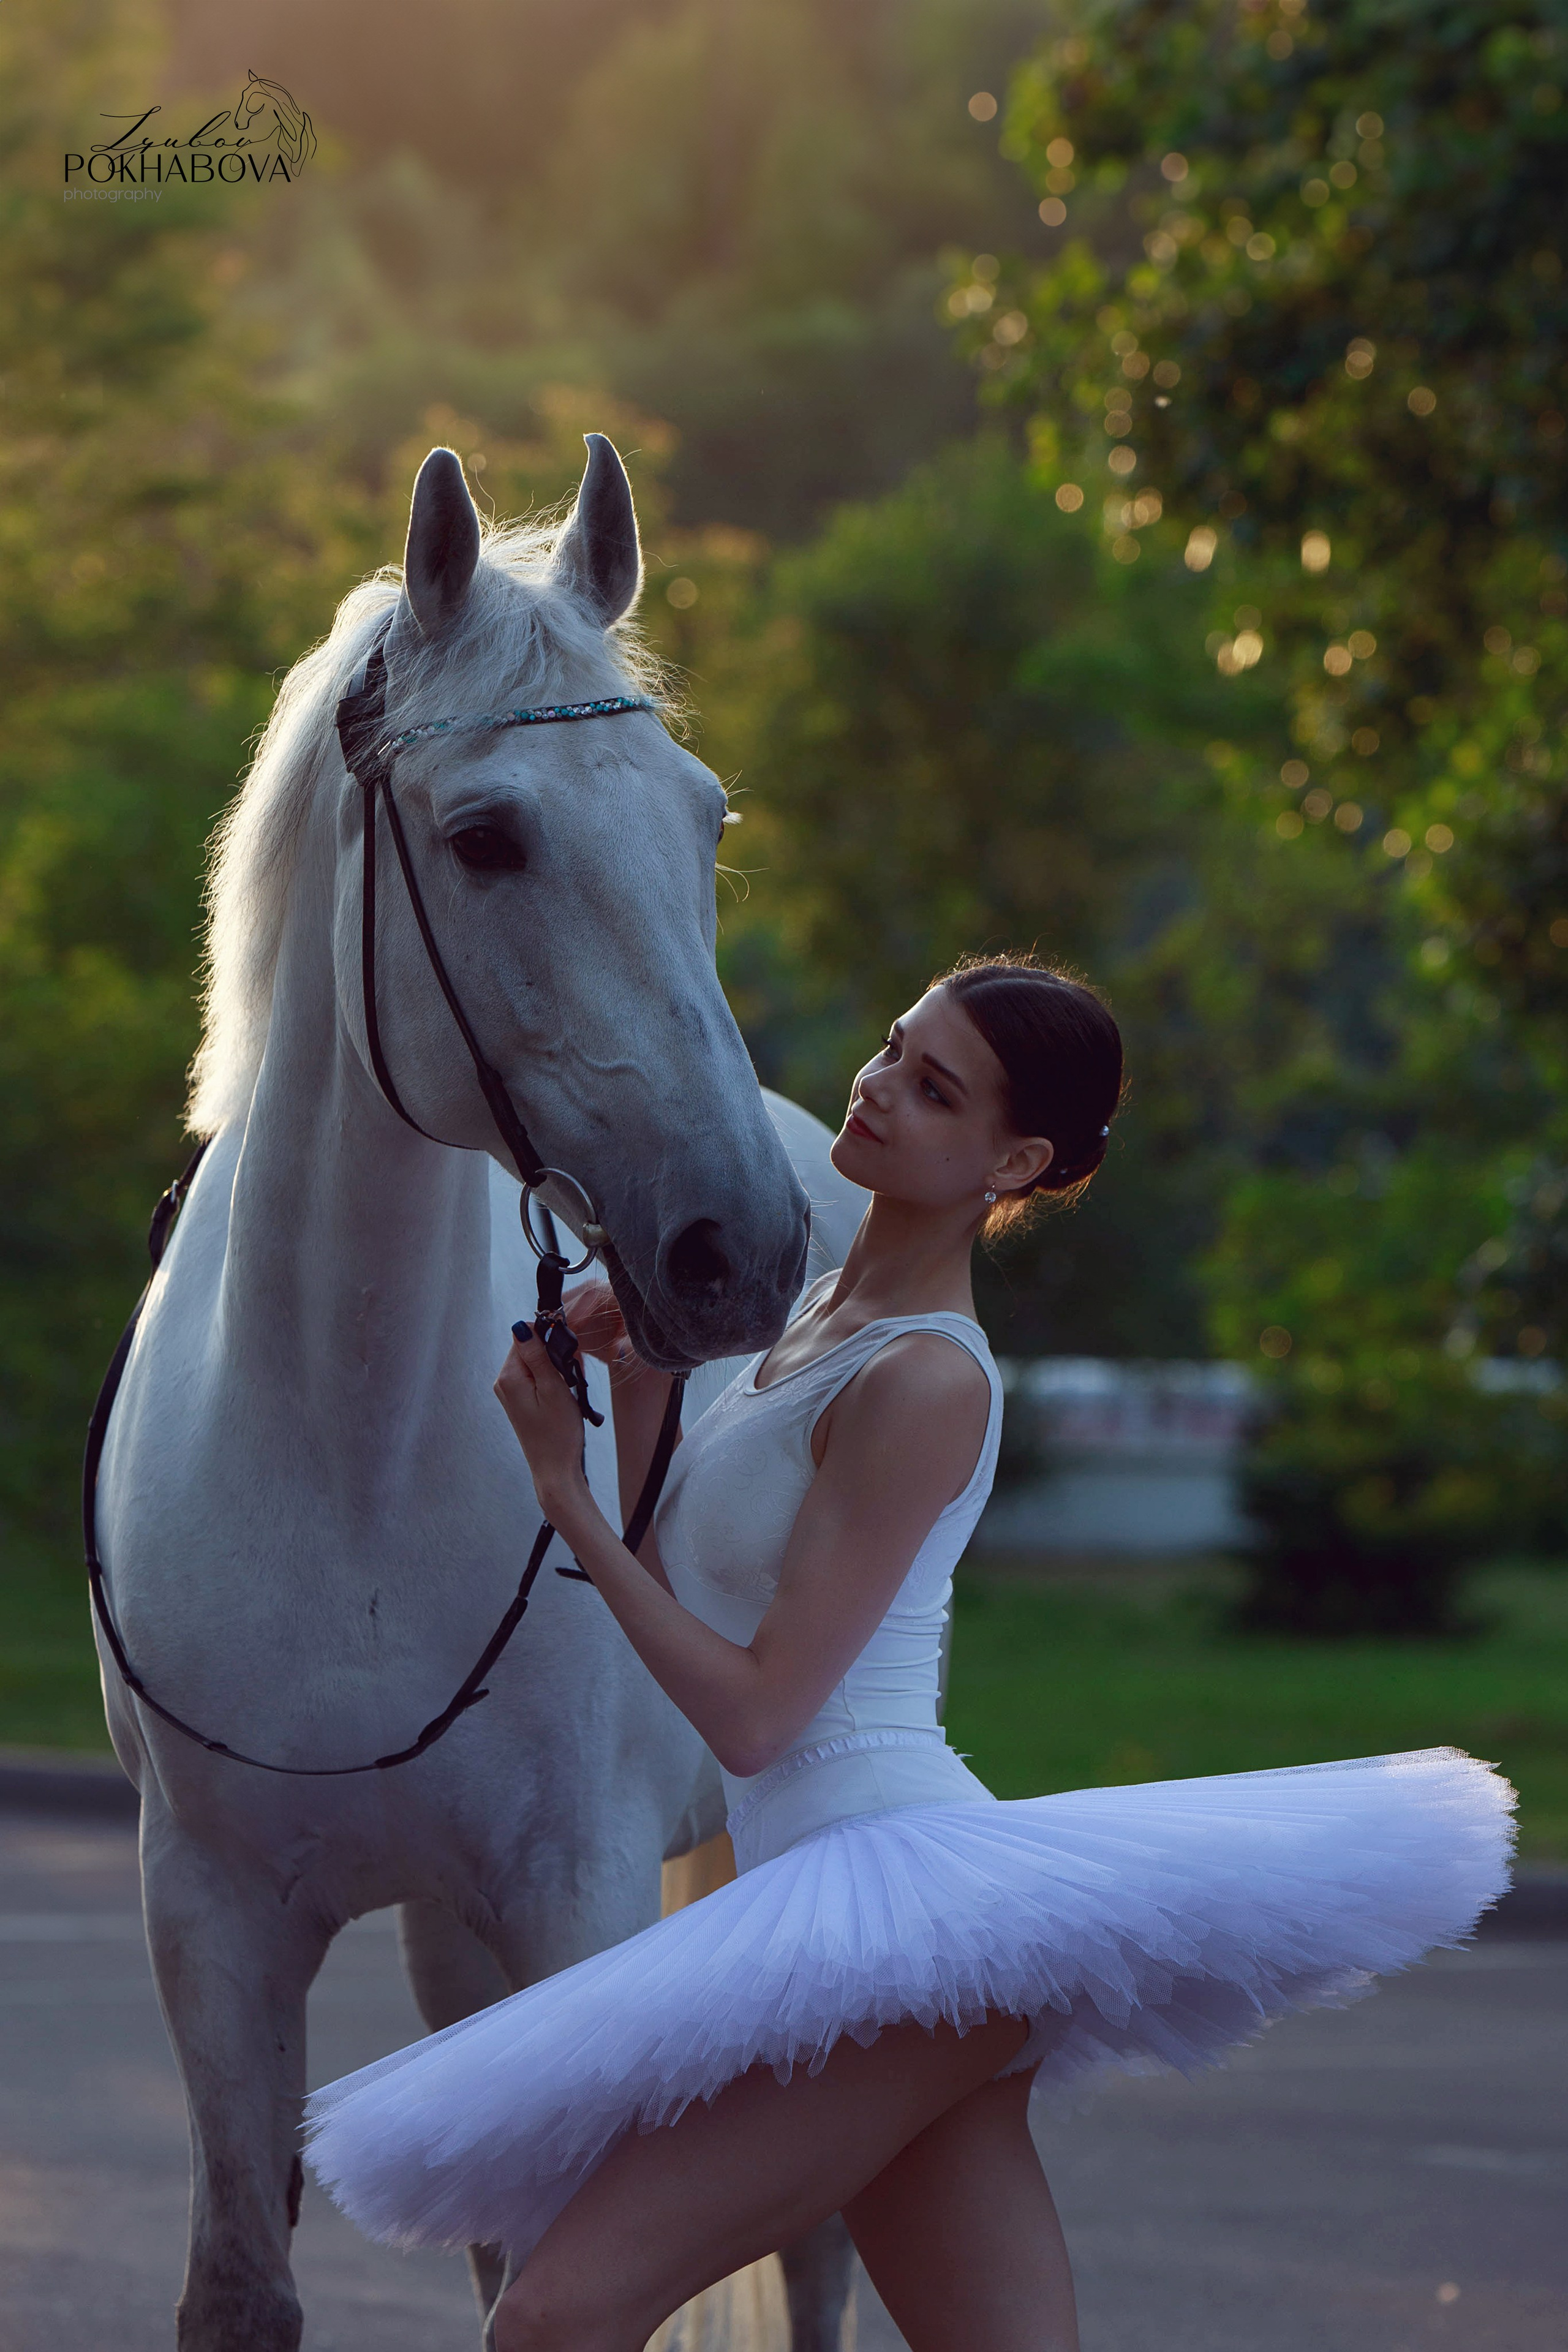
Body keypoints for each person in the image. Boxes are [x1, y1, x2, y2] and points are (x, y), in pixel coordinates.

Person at [305, 952, 1515, 2352]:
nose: (877, 1086)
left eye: (933, 1089)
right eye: (892, 1048)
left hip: (891, 1910)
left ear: (1015, 1161)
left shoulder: (922, 1377)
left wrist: (555, 1488)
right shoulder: (816, 1318)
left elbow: (755, 1718)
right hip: (849, 1910)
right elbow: (678, 1590)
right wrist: (640, 1386)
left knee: (552, 2320)